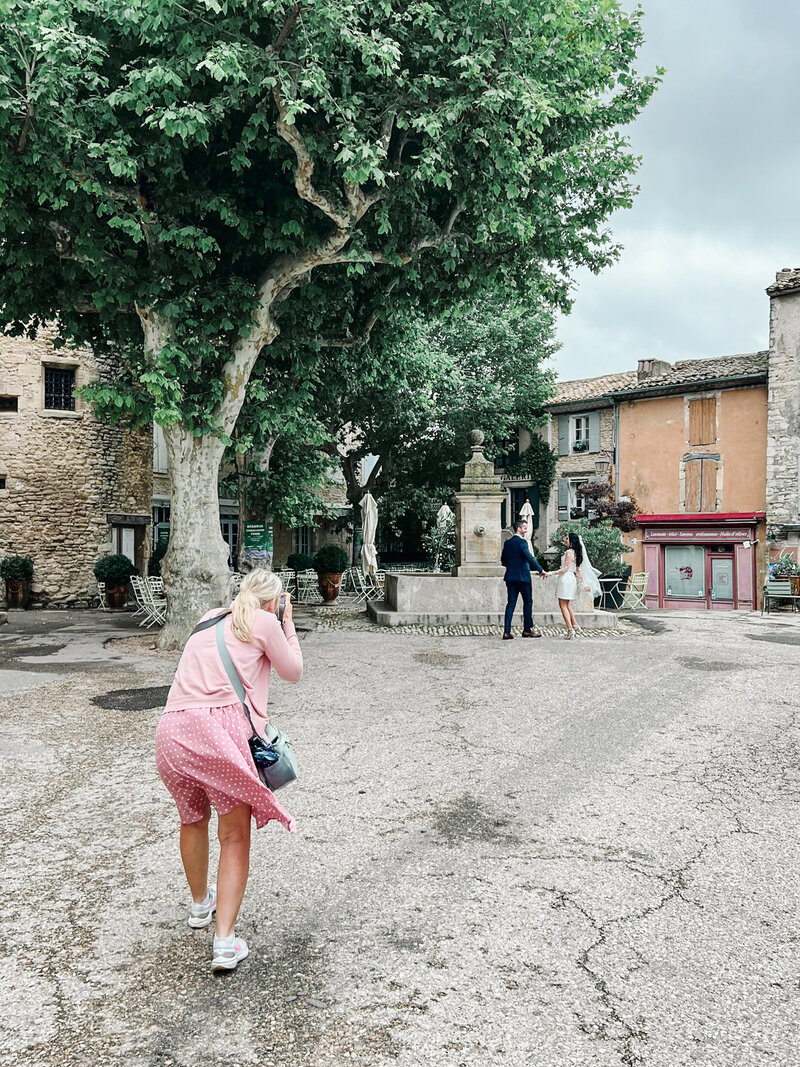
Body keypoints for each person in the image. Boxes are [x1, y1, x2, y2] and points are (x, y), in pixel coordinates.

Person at [155, 569, 303, 972]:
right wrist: (286, 624)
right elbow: (293, 670)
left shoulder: (208, 618)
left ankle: (200, 904)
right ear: (274, 601)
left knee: (192, 819)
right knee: (234, 835)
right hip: (216, 731)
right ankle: (224, 944)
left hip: (171, 729)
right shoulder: (266, 620)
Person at [500, 516, 547, 640]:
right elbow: (529, 557)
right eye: (525, 528)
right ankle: (527, 630)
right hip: (523, 577)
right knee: (528, 602)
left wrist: (511, 566)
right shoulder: (522, 542)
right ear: (519, 529)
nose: (526, 530)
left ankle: (506, 631)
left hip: (510, 576)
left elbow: (503, 560)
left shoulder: (508, 543)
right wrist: (540, 570)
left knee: (510, 604)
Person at [554, 531, 592, 639]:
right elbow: (578, 570)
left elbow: (565, 568)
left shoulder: (569, 552)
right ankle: (574, 625)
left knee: (562, 605)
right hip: (571, 579)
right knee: (567, 604)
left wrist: (551, 573)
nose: (564, 540)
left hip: (566, 578)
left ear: (571, 541)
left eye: (566, 538)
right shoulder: (576, 553)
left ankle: (569, 629)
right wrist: (584, 584)